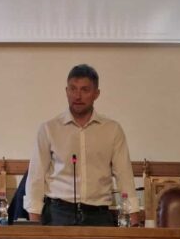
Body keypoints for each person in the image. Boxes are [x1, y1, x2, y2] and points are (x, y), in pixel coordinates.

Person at [24, 64, 140, 226]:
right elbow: (36, 177)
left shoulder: (112, 130)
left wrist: (133, 219)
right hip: (58, 213)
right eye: (73, 89)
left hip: (98, 214)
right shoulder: (49, 129)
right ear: (66, 91)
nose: (77, 96)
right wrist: (34, 222)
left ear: (96, 94)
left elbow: (124, 176)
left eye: (85, 90)